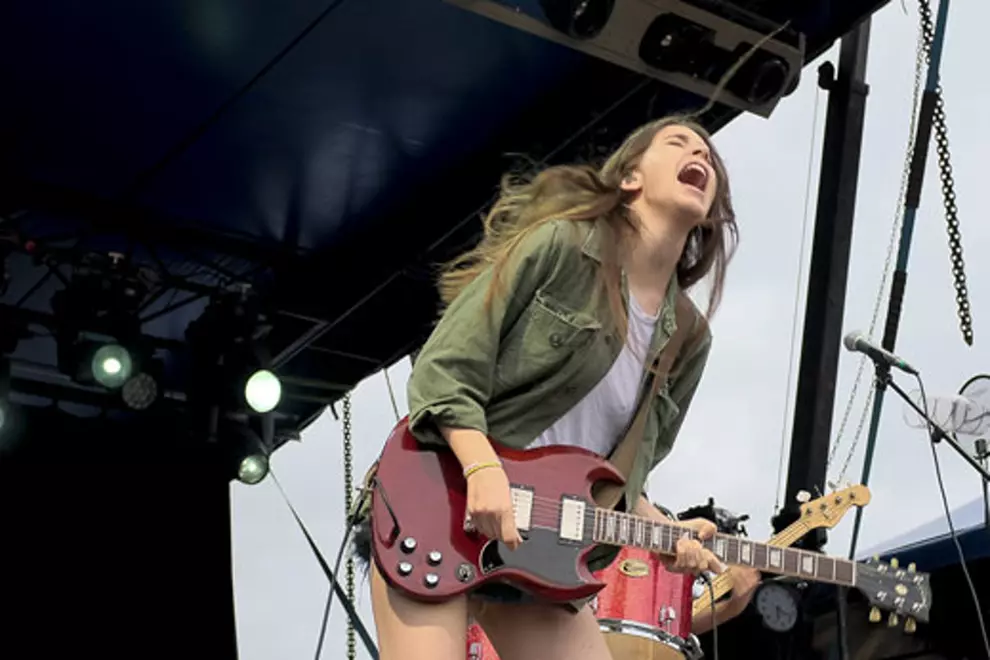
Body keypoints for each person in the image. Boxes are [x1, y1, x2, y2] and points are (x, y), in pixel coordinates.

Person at [359, 115, 760, 660]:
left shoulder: (688, 337)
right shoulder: (562, 245)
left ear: (712, 213)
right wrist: (481, 470)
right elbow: (444, 372)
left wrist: (665, 531)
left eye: (710, 157)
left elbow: (620, 475)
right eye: (677, 143)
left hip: (543, 548)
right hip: (437, 502)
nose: (701, 155)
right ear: (629, 179)